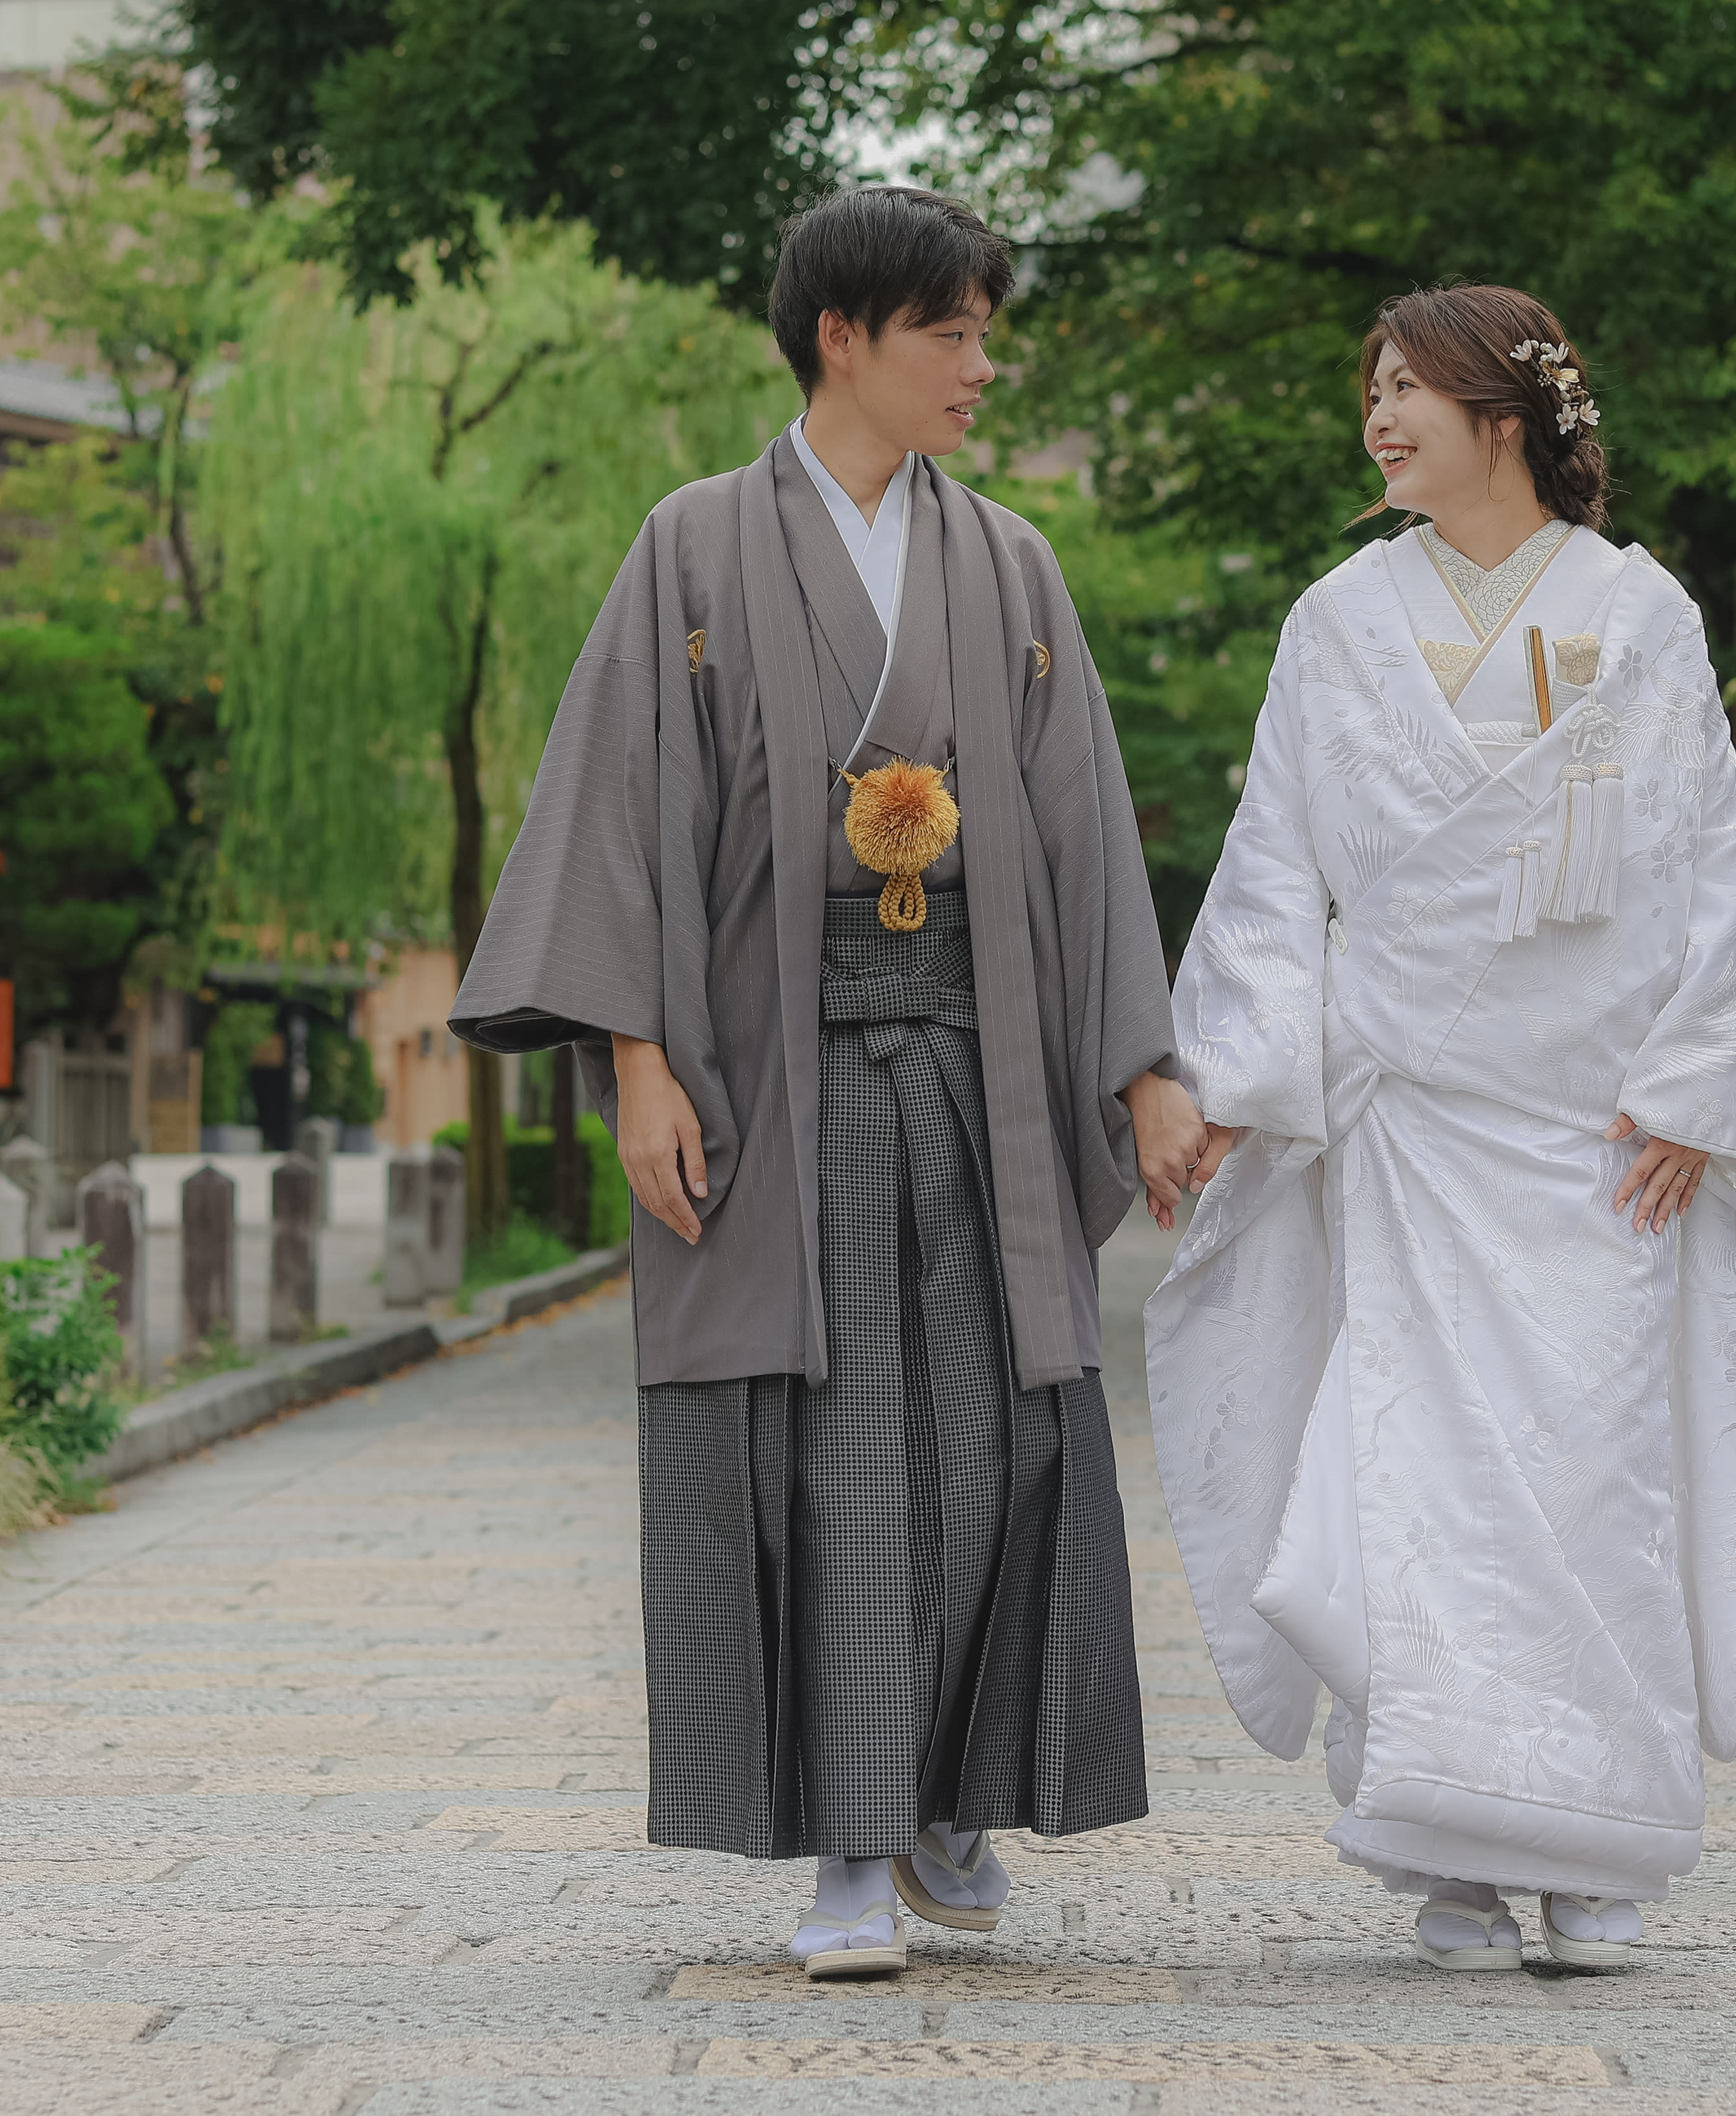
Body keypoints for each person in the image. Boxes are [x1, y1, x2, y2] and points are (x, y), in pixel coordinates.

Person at [451, 185, 1207, 1980]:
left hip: (978, 1075)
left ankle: (948, 1802)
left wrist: (1143, 1067)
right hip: (772, 1084)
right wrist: (639, 1063)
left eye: (985, 332)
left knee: (990, 1442)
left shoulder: (1010, 565)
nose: (980, 365)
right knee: (829, 1458)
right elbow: (623, 815)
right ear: (840, 339)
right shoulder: (696, 548)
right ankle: (854, 1854)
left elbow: (1086, 833)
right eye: (950, 332)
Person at [1143, 283, 1736, 1973]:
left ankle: (1595, 1848)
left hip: (1596, 1124)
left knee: (1592, 1476)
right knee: (1414, 1475)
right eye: (1371, 387)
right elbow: (1275, 862)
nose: (1377, 416)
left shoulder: (1640, 614)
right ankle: (1443, 1840)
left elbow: (1712, 854)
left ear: (1505, 410)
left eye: (1405, 386)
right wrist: (1234, 1078)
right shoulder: (1337, 621)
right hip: (1410, 1113)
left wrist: (1699, 1084)